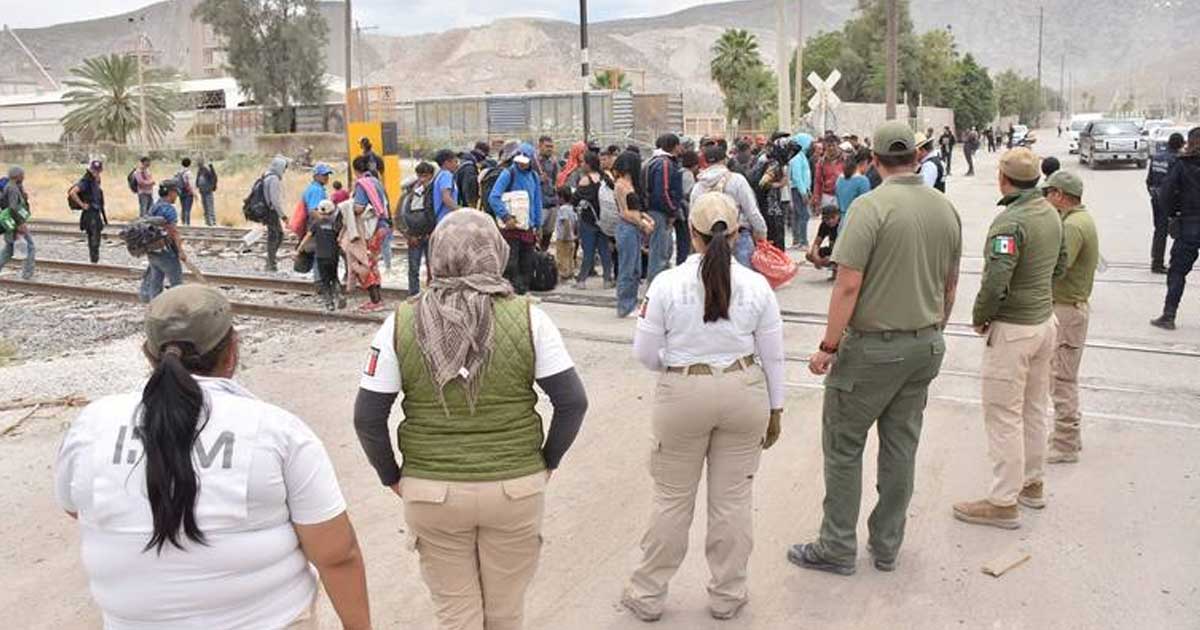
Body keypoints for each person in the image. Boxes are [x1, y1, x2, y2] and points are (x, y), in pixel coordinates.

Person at [57, 285, 371, 630]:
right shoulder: (277, 430)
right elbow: (336, 554)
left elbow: (75, 506)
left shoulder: (94, 422)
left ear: (148, 354)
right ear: (232, 351)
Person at [353, 209, 587, 630]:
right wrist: (546, 463)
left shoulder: (399, 322)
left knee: (456, 616)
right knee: (505, 614)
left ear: (435, 255)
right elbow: (572, 402)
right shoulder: (531, 318)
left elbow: (368, 417)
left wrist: (393, 477)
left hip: (431, 492)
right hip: (514, 488)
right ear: (495, 253)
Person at [790, 122, 961, 576]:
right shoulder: (945, 208)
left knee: (844, 446)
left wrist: (828, 346)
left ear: (874, 161)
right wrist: (931, 331)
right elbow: (950, 284)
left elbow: (847, 285)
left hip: (871, 352)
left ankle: (837, 546)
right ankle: (886, 546)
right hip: (924, 345)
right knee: (901, 447)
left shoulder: (870, 208)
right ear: (917, 158)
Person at [621, 192, 785, 622]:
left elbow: (645, 353)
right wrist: (777, 409)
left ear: (691, 235)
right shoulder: (756, 285)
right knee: (732, 503)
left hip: (683, 394)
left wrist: (676, 370)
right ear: (735, 236)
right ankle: (728, 596)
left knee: (672, 500)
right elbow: (774, 356)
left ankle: (647, 594)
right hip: (744, 391)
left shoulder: (665, 284)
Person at [954, 147, 1066, 530]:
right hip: (1044, 323)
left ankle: (1003, 502)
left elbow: (995, 282)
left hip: (1014, 331)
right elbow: (1061, 264)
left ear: (1003, 179)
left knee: (1003, 414)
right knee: (1034, 407)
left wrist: (981, 317)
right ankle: (1032, 486)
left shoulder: (1009, 223)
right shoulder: (1050, 212)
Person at [1040, 171, 1098, 464]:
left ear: (1060, 195)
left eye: (1048, 193)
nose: (1046, 199)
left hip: (1067, 309)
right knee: (1061, 374)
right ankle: (1068, 435)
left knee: (1061, 377)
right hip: (1068, 307)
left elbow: (1058, 268)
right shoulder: (1077, 219)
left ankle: (1065, 443)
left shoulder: (1073, 226)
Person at [1150, 127, 1200, 330]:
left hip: (1189, 224)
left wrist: (1173, 214)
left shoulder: (1182, 165)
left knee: (1177, 272)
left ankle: (1169, 315)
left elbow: (1165, 195)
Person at [690, 144, 768, 268]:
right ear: (724, 160)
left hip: (707, 240)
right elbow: (751, 210)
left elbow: (693, 217)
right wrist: (762, 231)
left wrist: (695, 240)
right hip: (738, 236)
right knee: (742, 281)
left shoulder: (699, 186)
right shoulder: (737, 180)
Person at [490, 143, 545, 295]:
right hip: (511, 230)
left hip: (528, 229)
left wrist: (538, 225)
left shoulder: (533, 176)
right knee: (511, 264)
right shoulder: (508, 174)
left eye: (524, 161)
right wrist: (506, 217)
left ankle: (522, 293)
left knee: (527, 264)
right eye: (519, 161)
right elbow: (493, 197)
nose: (521, 164)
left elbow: (537, 201)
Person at [344, 155, 390, 310]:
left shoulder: (362, 184)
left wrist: (346, 207)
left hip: (371, 229)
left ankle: (376, 301)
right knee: (372, 263)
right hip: (382, 226)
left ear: (355, 169)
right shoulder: (376, 181)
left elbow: (359, 208)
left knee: (364, 264)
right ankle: (377, 299)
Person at [614, 151, 655, 317]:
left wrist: (646, 218)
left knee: (636, 269)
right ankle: (625, 306)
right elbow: (624, 212)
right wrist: (643, 224)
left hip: (634, 227)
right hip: (627, 228)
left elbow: (636, 209)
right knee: (627, 269)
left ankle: (630, 303)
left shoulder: (631, 184)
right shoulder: (620, 185)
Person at [643, 133, 685, 284]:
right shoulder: (665, 164)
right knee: (660, 252)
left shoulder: (653, 162)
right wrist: (672, 210)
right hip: (660, 212)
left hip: (657, 211)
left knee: (662, 249)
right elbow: (663, 191)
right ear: (674, 146)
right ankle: (656, 285)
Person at [139, 181, 187, 303]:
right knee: (177, 283)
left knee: (155, 282)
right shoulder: (169, 210)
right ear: (170, 192)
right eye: (176, 192)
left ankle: (154, 309)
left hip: (153, 251)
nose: (177, 196)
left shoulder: (155, 206)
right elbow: (173, 232)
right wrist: (181, 251)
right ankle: (177, 309)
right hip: (167, 252)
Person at [573, 151, 615, 290]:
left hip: (588, 220)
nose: (581, 165)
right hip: (604, 220)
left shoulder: (585, 180)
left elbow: (575, 200)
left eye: (583, 162)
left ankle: (581, 281)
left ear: (588, 164)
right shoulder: (605, 177)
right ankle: (607, 279)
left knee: (589, 251)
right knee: (604, 251)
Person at [1147, 132, 1185, 274]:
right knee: (1174, 231)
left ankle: (1156, 259)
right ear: (1180, 145)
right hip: (1168, 200)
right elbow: (1178, 184)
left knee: (1159, 230)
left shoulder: (1157, 157)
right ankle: (1160, 264)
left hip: (1156, 197)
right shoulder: (1176, 160)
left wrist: (1153, 194)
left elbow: (1149, 180)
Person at [306, 199, 347, 311]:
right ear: (332, 211)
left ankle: (329, 303)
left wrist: (299, 250)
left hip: (320, 256)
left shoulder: (316, 224)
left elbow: (308, 236)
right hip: (333, 255)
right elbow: (341, 235)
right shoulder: (335, 224)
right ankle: (339, 294)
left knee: (325, 280)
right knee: (334, 276)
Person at [404, 162, 437, 296]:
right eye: (420, 176)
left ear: (431, 176)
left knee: (433, 268)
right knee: (413, 268)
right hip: (414, 237)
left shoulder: (435, 191)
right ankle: (414, 295)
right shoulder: (410, 193)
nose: (423, 179)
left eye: (426, 176)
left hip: (430, 235)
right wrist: (408, 235)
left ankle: (433, 294)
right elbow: (402, 215)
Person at [69, 160, 107, 263]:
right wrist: (82, 205)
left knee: (96, 237)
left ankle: (94, 260)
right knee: (93, 238)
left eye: (98, 171)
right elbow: (73, 192)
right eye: (95, 171)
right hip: (90, 213)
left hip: (95, 212)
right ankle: (94, 261)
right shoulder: (86, 181)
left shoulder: (95, 180)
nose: (96, 173)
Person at [0, 166, 34, 279]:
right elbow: (13, 208)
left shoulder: (12, 187)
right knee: (30, 246)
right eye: (22, 175)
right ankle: (27, 275)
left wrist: (24, 197)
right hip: (15, 223)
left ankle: (27, 274)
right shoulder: (12, 188)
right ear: (17, 176)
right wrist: (20, 224)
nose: (23, 177)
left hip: (11, 222)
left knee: (9, 250)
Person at [262, 156, 288, 272]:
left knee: (276, 235)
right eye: (284, 168)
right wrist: (283, 216)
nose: (284, 171)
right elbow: (274, 200)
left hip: (267, 211)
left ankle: (270, 261)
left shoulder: (267, 176)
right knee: (276, 236)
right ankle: (270, 263)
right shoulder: (274, 179)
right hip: (271, 212)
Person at [788, 133, 814, 249]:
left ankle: (797, 240)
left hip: (801, 189)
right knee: (804, 215)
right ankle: (803, 241)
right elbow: (797, 177)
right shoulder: (797, 158)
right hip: (798, 190)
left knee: (798, 216)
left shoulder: (801, 156)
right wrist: (803, 192)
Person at [535, 136, 560, 250]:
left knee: (548, 234)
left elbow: (555, 181)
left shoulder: (553, 163)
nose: (549, 149)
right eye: (547, 146)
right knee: (536, 236)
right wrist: (538, 179)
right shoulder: (533, 162)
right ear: (540, 146)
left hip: (551, 203)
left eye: (551, 146)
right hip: (539, 204)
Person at [835, 148, 872, 223]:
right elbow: (866, 206)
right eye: (870, 166)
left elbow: (838, 201)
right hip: (857, 221)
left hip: (843, 219)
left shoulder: (840, 178)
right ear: (865, 162)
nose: (869, 169)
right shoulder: (863, 180)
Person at [677, 149, 700, 265]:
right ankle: (683, 263)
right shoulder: (688, 174)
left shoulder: (679, 171)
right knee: (685, 241)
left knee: (682, 241)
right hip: (685, 211)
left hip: (679, 211)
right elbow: (688, 193)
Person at [552, 185, 579, 281]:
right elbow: (575, 222)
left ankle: (564, 274)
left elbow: (565, 222)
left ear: (561, 198)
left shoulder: (563, 209)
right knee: (570, 257)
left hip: (563, 238)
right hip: (571, 238)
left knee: (562, 257)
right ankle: (570, 272)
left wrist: (564, 235)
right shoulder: (572, 208)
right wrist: (574, 235)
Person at [805, 204, 841, 276]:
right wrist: (816, 257)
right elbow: (816, 244)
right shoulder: (824, 225)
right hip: (832, 250)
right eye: (827, 219)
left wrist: (833, 258)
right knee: (809, 255)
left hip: (843, 253)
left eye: (833, 218)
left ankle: (838, 270)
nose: (830, 221)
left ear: (838, 216)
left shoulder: (842, 224)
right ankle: (834, 266)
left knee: (830, 259)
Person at [456, 140, 492, 208]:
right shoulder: (470, 168)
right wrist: (472, 209)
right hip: (465, 207)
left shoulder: (464, 162)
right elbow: (469, 191)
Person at [812, 141, 845, 211]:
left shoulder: (845, 160)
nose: (831, 148)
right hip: (827, 196)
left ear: (838, 146)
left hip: (842, 196)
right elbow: (818, 182)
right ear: (826, 148)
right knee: (827, 219)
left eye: (833, 145)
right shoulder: (821, 162)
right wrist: (816, 199)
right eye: (829, 146)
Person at [432, 149, 460, 223]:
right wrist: (462, 212)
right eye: (455, 162)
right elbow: (446, 198)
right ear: (447, 163)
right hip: (446, 221)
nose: (457, 165)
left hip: (441, 219)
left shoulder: (439, 174)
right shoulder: (446, 175)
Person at [195, 157, 218, 226]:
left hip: (208, 191)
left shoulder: (206, 170)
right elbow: (197, 180)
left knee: (209, 207)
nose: (199, 165)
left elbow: (214, 177)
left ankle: (212, 222)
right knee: (205, 207)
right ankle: (207, 222)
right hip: (203, 192)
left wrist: (212, 187)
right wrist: (198, 185)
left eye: (199, 163)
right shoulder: (200, 171)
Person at [174, 158, 196, 225]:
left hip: (181, 192)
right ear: (189, 164)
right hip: (188, 193)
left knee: (183, 208)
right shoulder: (189, 173)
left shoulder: (179, 172)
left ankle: (183, 223)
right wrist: (194, 194)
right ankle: (187, 223)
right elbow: (191, 184)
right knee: (187, 209)